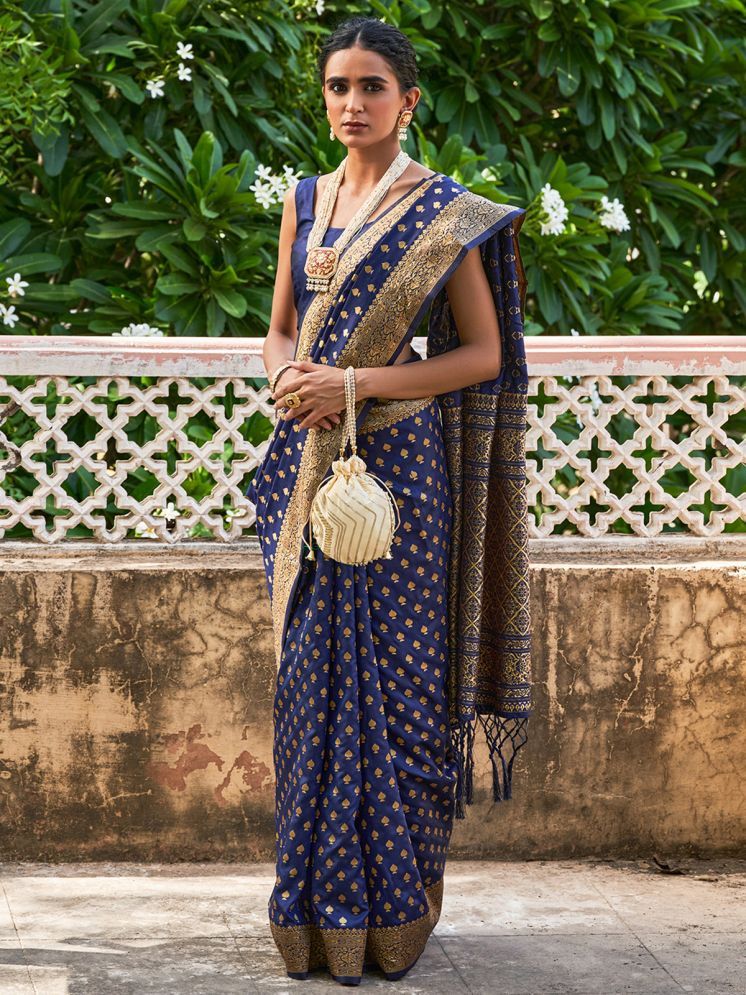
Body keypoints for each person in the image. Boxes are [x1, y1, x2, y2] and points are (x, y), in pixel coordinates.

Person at [246, 14, 533, 987]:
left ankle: (390, 922)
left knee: (400, 698)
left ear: (406, 100)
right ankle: (314, 922)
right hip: (304, 472)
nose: (352, 104)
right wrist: (291, 378)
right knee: (308, 691)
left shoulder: (443, 213)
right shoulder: (301, 201)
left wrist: (354, 387)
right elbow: (279, 329)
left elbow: (482, 355)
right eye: (337, 87)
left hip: (400, 484)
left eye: (372, 87)